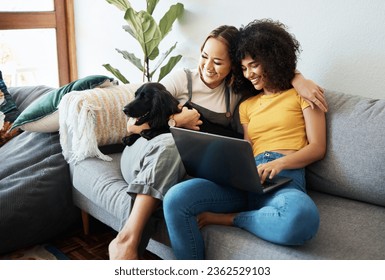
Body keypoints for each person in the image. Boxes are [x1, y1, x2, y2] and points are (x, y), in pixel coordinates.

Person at [108, 24, 327, 259]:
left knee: (301, 217)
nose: (249, 73)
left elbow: (317, 148)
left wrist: (280, 163)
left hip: (283, 179)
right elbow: (247, 146)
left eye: (254, 65)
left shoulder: (303, 95)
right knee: (176, 198)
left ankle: (233, 218)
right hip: (246, 178)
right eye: (244, 67)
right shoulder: (245, 104)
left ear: (273, 59)